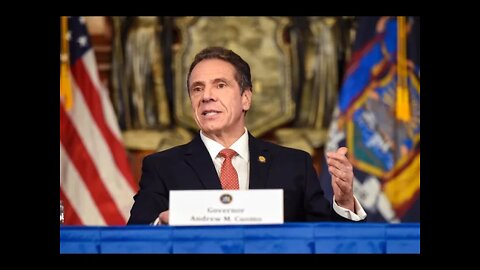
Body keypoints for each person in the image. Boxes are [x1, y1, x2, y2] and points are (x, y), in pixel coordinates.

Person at [127, 46, 367, 225]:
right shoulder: (162, 167)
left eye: (220, 85)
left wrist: (345, 202)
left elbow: (330, 242)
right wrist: (161, 226)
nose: (206, 96)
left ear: (246, 98)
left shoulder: (294, 165)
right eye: (197, 88)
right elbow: (133, 240)